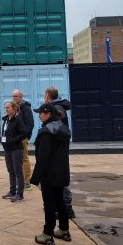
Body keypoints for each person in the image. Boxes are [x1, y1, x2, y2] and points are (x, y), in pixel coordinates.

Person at [30, 103, 72, 245]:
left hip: (49, 174)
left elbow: (43, 157)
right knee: (60, 201)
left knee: (49, 204)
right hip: (61, 172)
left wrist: (35, 178)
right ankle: (64, 230)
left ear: (48, 114)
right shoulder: (63, 128)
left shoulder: (46, 132)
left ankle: (48, 234)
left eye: (41, 113)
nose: (39, 115)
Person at [44, 87, 75, 218]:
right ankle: (62, 207)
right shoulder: (58, 107)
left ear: (48, 95)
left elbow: (58, 132)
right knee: (59, 177)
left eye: (44, 95)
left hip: (58, 150)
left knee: (61, 178)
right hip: (59, 149)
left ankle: (67, 208)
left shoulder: (57, 109)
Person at [1, 101, 27, 202]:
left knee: (18, 171)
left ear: (14, 108)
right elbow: (5, 132)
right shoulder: (6, 119)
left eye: (8, 107)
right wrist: (2, 139)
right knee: (10, 170)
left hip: (16, 149)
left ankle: (19, 194)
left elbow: (24, 133)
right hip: (7, 149)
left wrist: (13, 140)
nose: (6, 109)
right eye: (5, 107)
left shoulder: (18, 120)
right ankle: (12, 191)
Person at [12, 89, 34, 191]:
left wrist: (25, 136)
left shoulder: (26, 108)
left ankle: (27, 182)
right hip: (15, 138)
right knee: (18, 159)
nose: (14, 98)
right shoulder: (16, 108)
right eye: (13, 96)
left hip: (22, 138)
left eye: (16, 96)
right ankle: (20, 180)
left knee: (24, 158)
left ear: (21, 97)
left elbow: (30, 124)